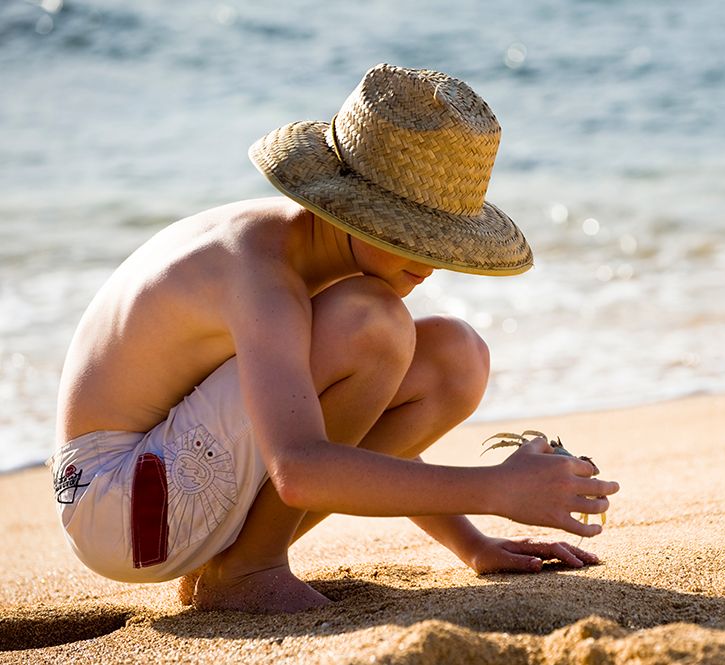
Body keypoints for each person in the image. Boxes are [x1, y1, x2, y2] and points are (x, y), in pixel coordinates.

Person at [51, 63, 620, 613]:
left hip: (155, 486)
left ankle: (240, 560)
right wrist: (497, 488)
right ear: (354, 210)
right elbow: (299, 469)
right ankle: (247, 569)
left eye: (442, 240)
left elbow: (337, 418)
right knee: (374, 324)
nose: (431, 263)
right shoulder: (259, 271)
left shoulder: (307, 244)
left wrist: (472, 544)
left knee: (456, 357)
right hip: (119, 506)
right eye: (413, 234)